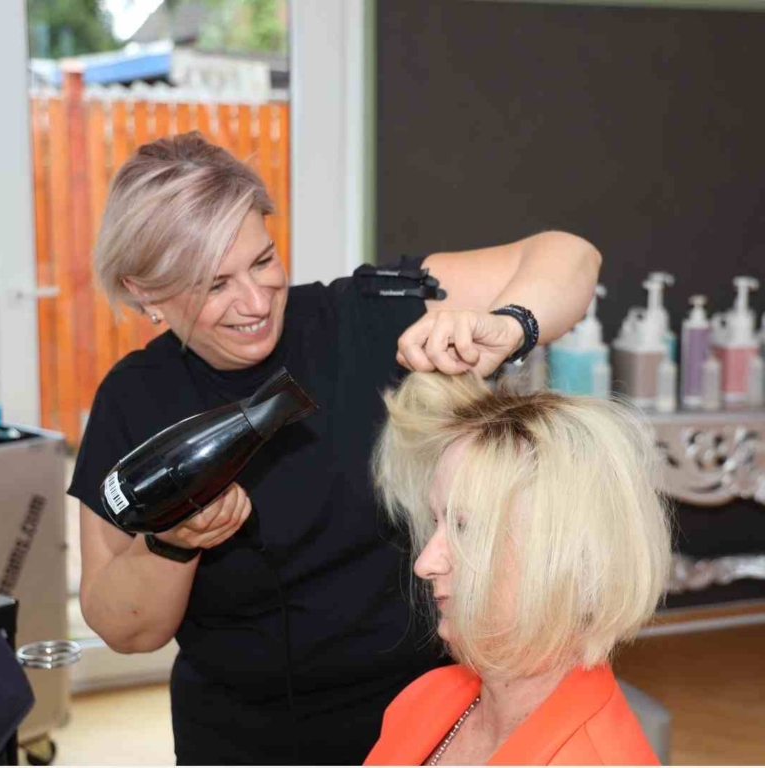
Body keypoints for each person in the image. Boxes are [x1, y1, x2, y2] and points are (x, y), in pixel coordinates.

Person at [69, 131, 602, 765]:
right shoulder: (135, 400)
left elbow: (570, 256)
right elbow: (125, 628)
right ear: (145, 293)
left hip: (431, 718)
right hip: (241, 737)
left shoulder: (364, 316)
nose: (254, 302)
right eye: (213, 286)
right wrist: (172, 542)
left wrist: (510, 326)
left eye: (262, 261)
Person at [366, 373, 672, 766]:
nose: (425, 563)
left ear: (559, 557)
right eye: (437, 521)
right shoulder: (422, 699)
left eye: (465, 527)